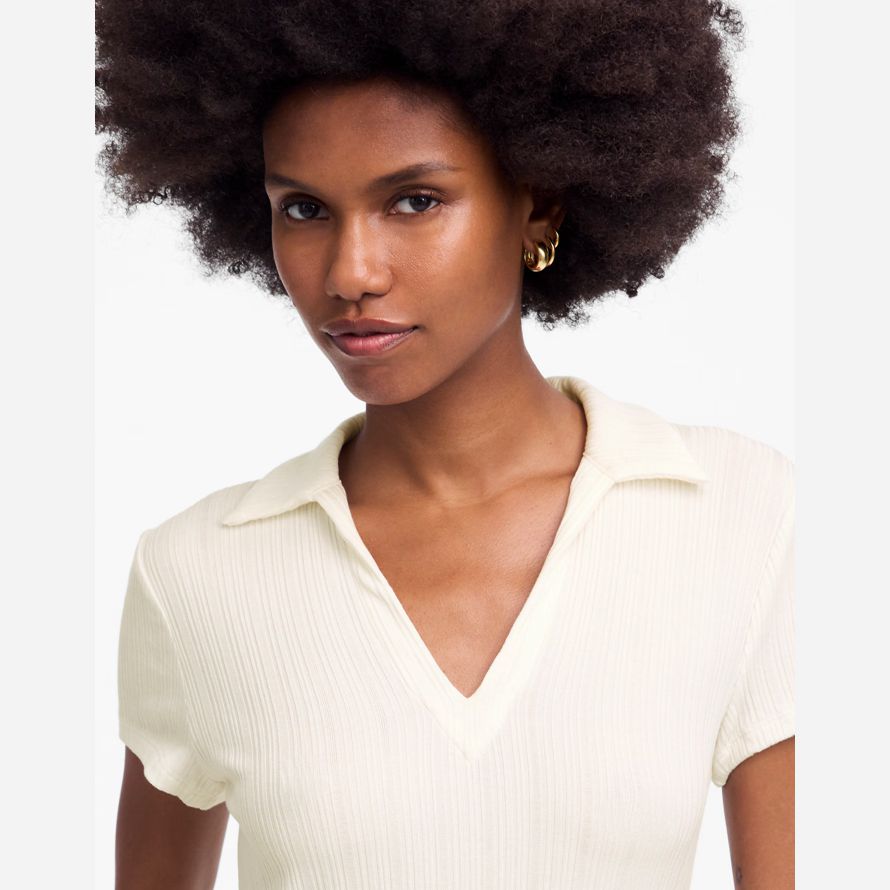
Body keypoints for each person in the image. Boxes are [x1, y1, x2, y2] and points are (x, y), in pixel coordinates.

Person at [97, 1, 794, 888]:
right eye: (304, 209)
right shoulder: (197, 574)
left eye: (415, 201)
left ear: (539, 204)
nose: (351, 272)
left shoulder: (740, 515)